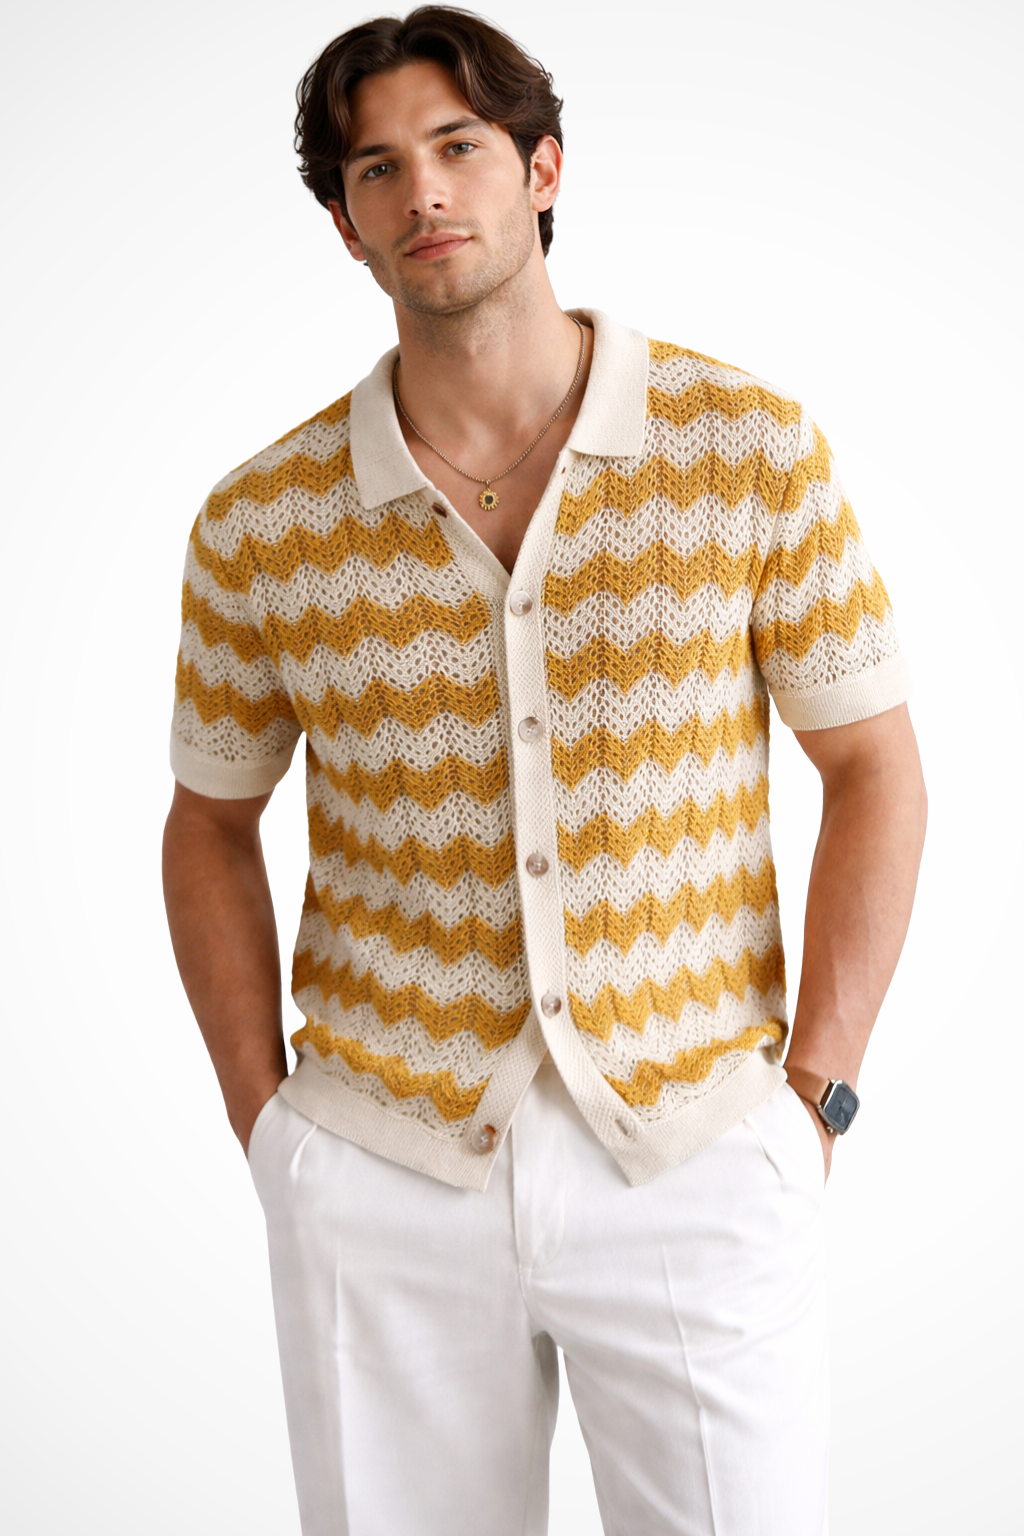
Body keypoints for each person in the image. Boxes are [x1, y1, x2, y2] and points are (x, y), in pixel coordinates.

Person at [162, 8, 927, 1533]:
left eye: (459, 147)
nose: (425, 193)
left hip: (698, 1150)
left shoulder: (746, 451)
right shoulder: (263, 524)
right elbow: (208, 823)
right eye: (378, 169)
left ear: (543, 168)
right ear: (346, 224)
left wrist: (814, 1102)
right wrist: (272, 1129)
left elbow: (874, 767)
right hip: (380, 1163)